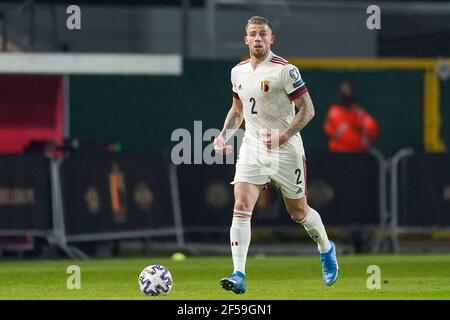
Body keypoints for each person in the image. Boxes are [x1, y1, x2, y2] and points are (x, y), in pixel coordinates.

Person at [213, 16, 338, 294]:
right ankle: (238, 274)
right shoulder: (238, 72)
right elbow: (238, 110)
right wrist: (224, 136)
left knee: (299, 211)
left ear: (272, 39)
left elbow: (308, 110)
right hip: (253, 148)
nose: (258, 38)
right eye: (253, 34)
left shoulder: (285, 71)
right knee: (242, 203)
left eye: (263, 34)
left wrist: (283, 135)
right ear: (246, 40)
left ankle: (326, 249)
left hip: (286, 149)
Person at [324, 81, 378, 152]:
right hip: (338, 154)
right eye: (344, 91)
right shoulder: (334, 112)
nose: (347, 93)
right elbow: (345, 136)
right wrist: (359, 133)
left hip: (358, 154)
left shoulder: (358, 112)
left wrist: (361, 128)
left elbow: (372, 127)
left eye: (349, 91)